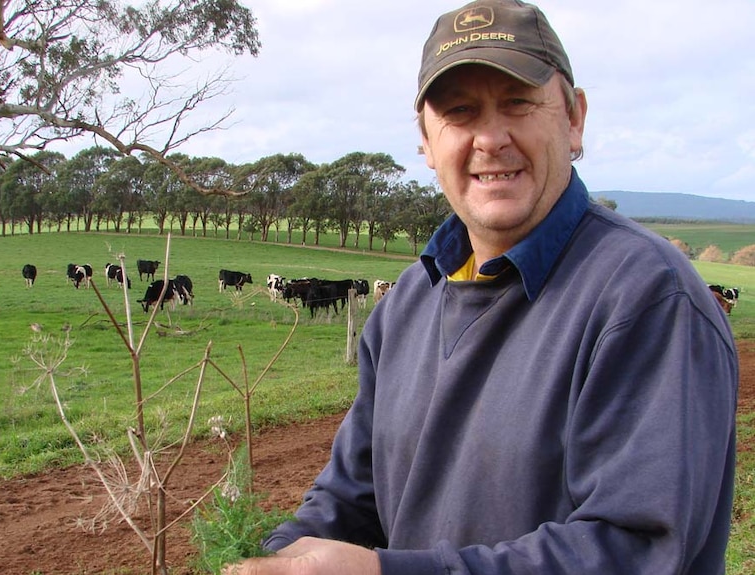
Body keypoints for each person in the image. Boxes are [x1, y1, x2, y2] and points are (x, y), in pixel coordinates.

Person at [225, 1, 738, 573]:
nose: (490, 138)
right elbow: (351, 496)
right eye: (460, 112)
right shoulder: (407, 305)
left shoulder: (644, 298)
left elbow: (634, 549)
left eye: (517, 102)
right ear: (425, 140)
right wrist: (278, 559)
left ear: (574, 119)